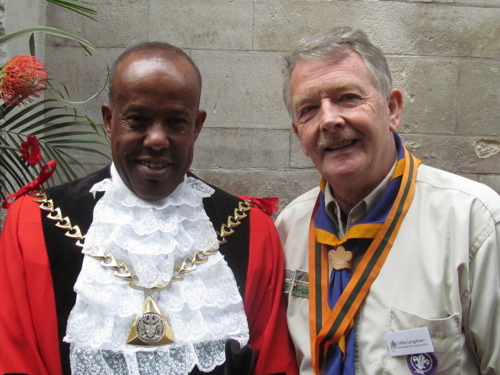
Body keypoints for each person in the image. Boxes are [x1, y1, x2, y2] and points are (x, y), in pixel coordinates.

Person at [0, 42, 298, 375]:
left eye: (176, 122)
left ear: (196, 127)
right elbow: (16, 358)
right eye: (137, 120)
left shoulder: (251, 230)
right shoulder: (34, 224)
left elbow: (272, 364)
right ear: (109, 121)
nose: (156, 139)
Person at [275, 26, 500, 375]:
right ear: (299, 137)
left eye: (348, 97)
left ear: (392, 109)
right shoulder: (289, 228)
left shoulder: (475, 222)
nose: (329, 119)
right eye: (309, 109)